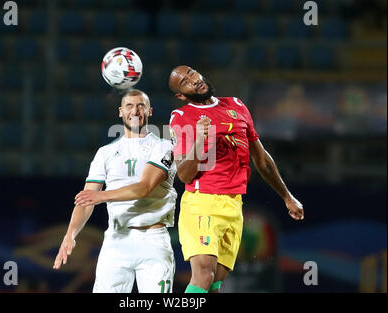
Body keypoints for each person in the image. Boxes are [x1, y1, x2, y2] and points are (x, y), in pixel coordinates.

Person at [168, 65, 304, 293]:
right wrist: (200, 141)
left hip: (233, 204)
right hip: (203, 201)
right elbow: (184, 174)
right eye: (184, 82)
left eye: (192, 73)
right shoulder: (183, 116)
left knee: (215, 283)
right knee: (203, 274)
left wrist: (287, 197)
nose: (193, 79)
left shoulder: (236, 105)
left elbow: (261, 158)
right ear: (181, 96)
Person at [53, 89, 177, 293]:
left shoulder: (164, 147)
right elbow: (86, 200)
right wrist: (70, 234)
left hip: (153, 240)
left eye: (141, 106)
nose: (135, 111)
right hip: (116, 240)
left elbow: (144, 188)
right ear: (120, 111)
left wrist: (101, 196)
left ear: (150, 111)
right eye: (129, 106)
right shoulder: (105, 153)